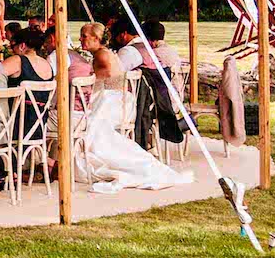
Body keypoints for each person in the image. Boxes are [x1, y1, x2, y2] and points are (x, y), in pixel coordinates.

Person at [77, 45, 190, 191]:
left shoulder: (116, 54)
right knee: (95, 122)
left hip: (118, 103)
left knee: (95, 125)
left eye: (85, 36)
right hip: (129, 102)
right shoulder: (113, 53)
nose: (81, 39)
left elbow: (105, 76)